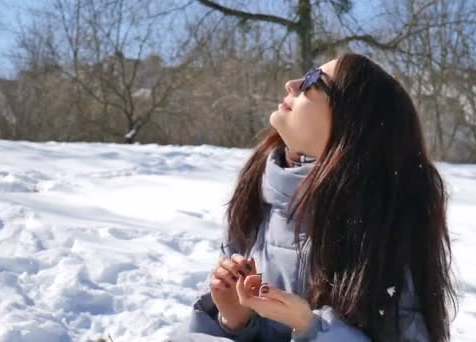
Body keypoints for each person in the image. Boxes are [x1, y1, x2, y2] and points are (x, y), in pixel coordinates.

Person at [171, 53, 457, 342]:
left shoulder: (388, 232)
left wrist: (309, 328)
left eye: (313, 82)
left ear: (353, 124)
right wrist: (232, 320)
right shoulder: (255, 192)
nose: (292, 84)